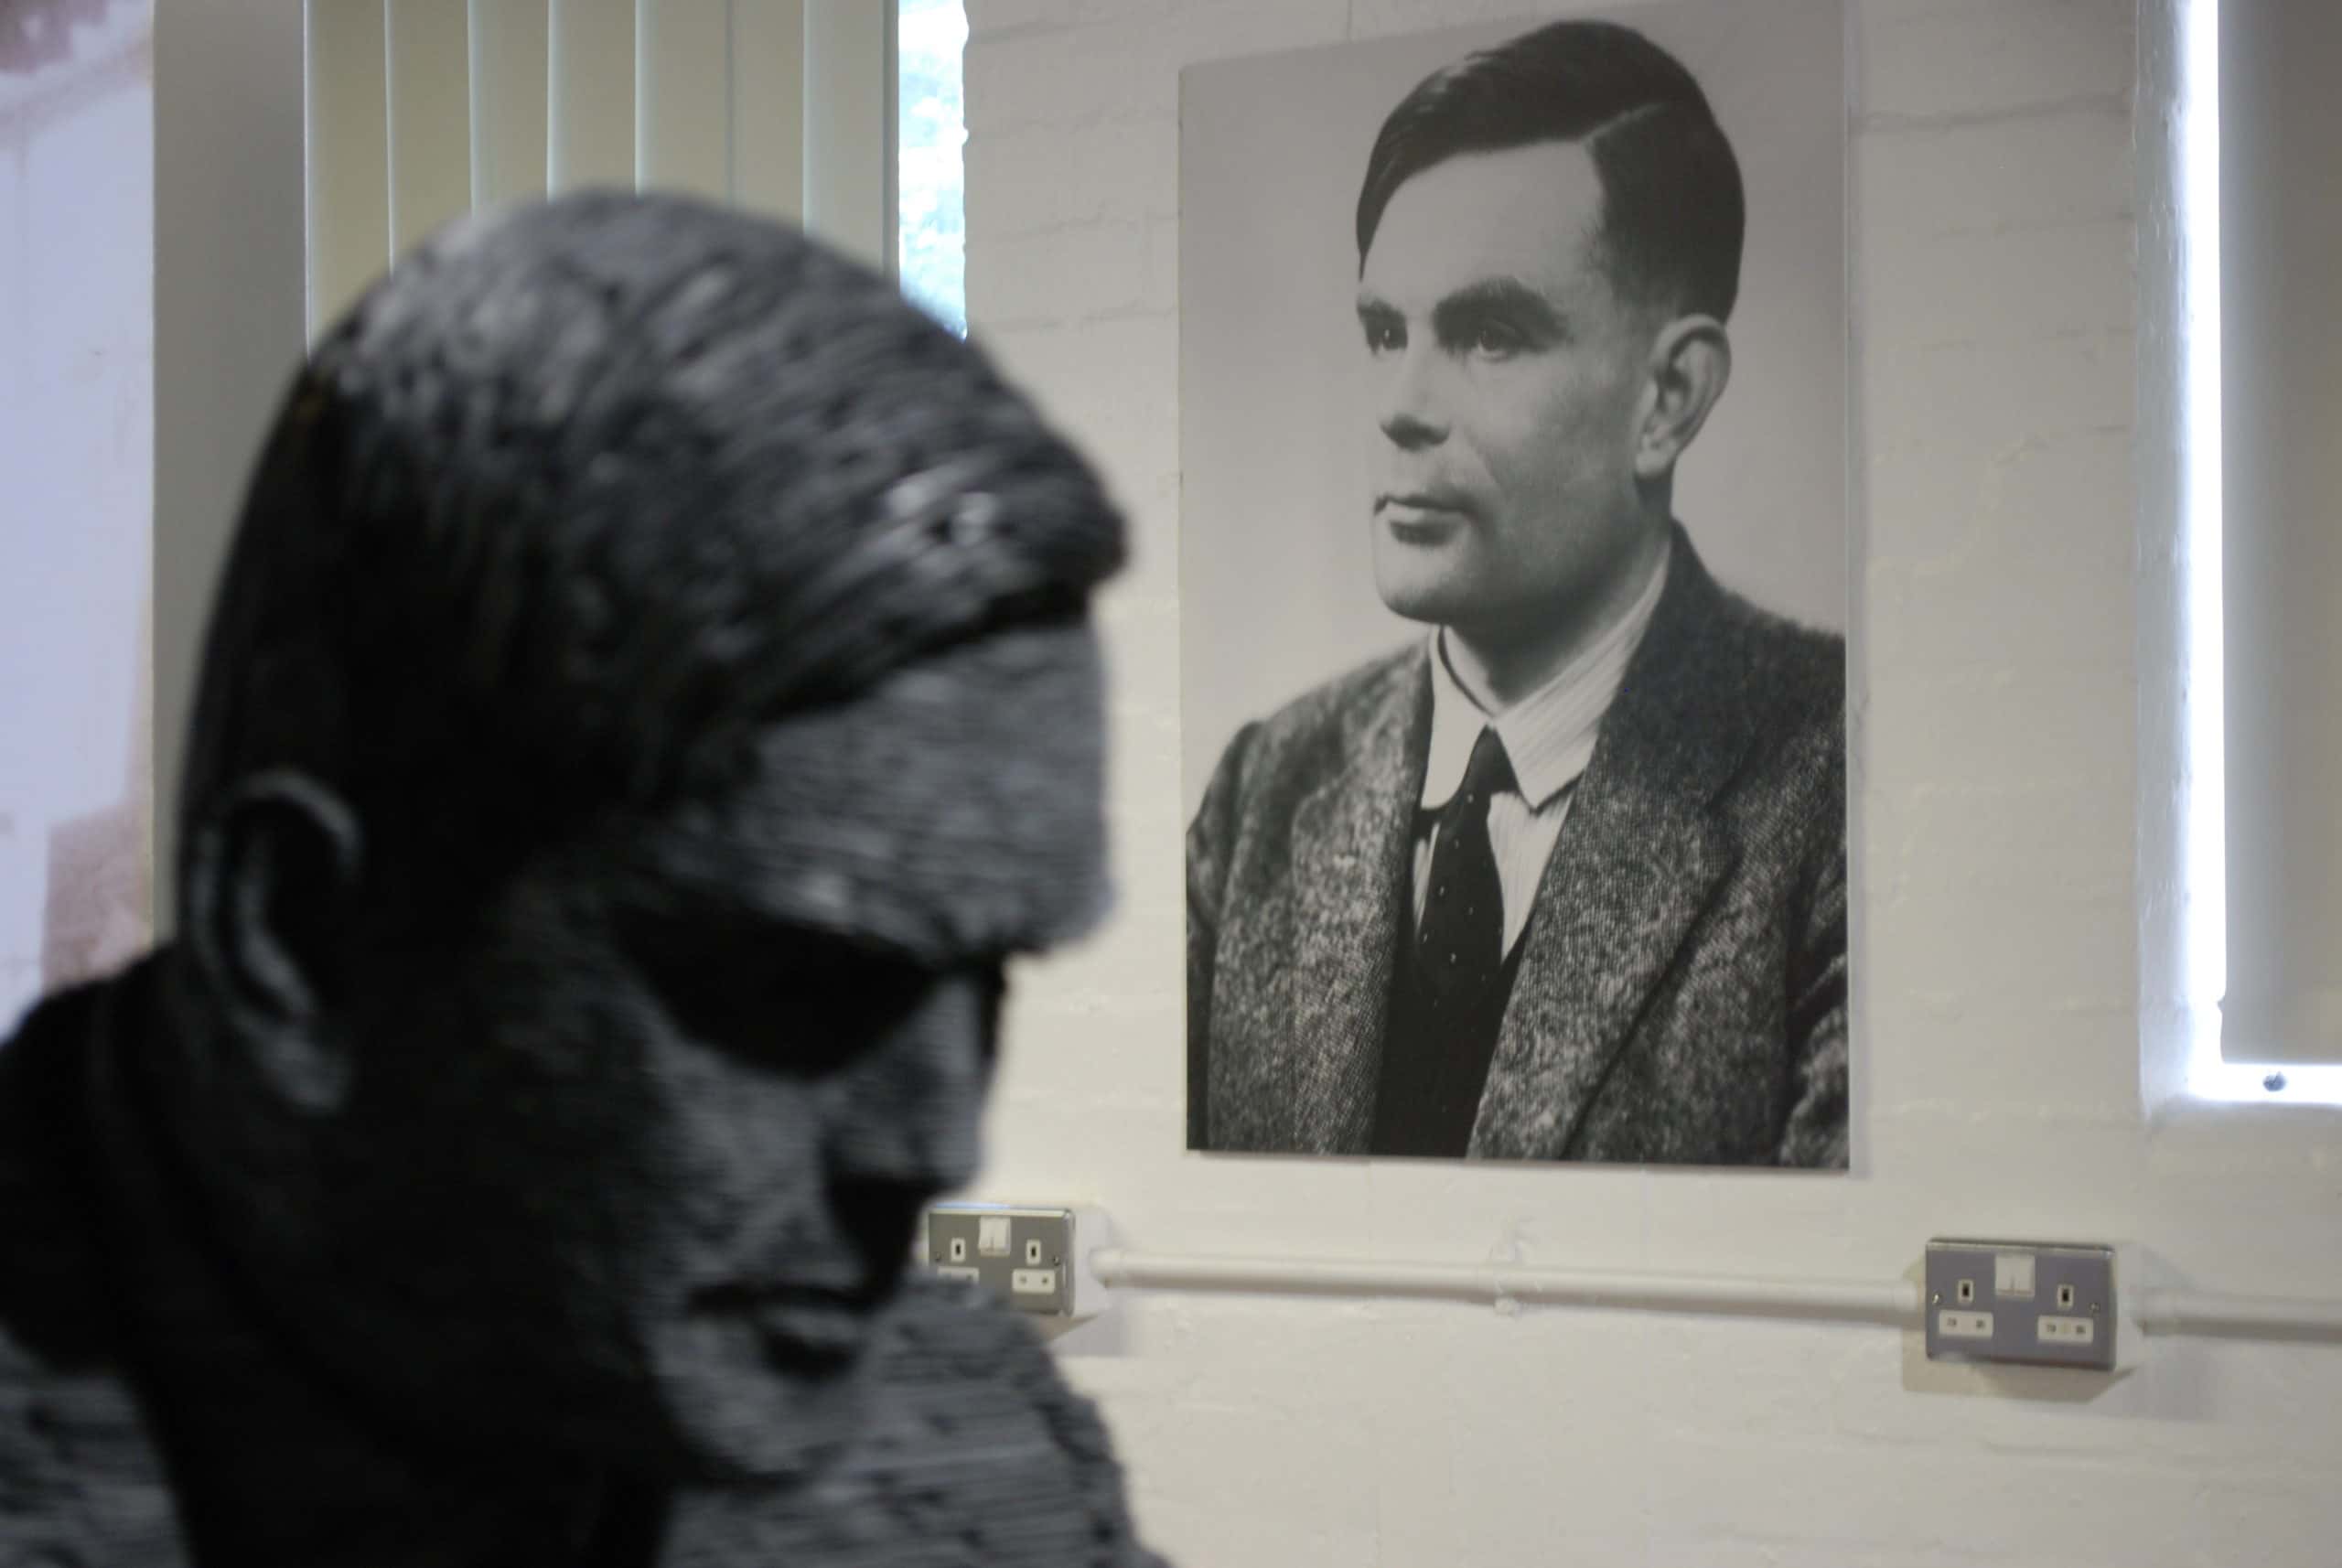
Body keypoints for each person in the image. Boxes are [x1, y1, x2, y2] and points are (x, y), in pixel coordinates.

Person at [0, 192, 1161, 1563]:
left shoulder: (977, 1448)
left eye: (989, 979)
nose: (933, 1145)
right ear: (298, 938)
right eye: (790, 987)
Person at [1187, 19, 1847, 1166]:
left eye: (1489, 336)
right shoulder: (1264, 790)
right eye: (1383, 332)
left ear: (1668, 398)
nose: (1400, 406)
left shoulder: (1838, 780)